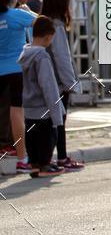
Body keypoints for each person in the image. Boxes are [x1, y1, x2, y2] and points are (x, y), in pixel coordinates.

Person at [41, 0, 84, 170]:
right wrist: (71, 83)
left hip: (45, 78)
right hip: (58, 81)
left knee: (48, 120)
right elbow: (62, 58)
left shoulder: (42, 23)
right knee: (59, 120)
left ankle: (50, 157)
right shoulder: (57, 26)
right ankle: (60, 158)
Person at [18, 16, 66, 177]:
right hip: (43, 108)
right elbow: (49, 86)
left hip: (29, 107)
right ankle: (45, 165)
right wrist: (57, 113)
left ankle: (34, 165)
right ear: (48, 37)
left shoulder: (25, 54)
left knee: (31, 137)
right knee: (47, 138)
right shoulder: (42, 56)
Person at [0, 0, 37, 172]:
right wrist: (27, 10)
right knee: (17, 113)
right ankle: (22, 159)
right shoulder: (17, 14)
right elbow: (43, 22)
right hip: (16, 69)